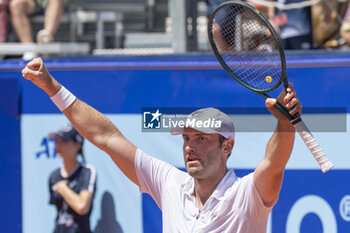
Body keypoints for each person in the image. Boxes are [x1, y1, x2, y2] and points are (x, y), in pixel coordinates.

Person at [22, 58, 301, 233]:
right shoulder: (170, 183)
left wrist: (285, 124)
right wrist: (52, 88)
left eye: (201, 138)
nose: (190, 146)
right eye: (186, 138)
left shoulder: (247, 195)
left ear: (226, 146)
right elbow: (106, 137)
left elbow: (274, 162)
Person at [48, 123, 97, 233]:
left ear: (78, 145)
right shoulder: (54, 176)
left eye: (64, 141)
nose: (58, 145)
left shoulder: (87, 171)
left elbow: (82, 207)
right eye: (57, 140)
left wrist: (63, 189)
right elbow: (59, 210)